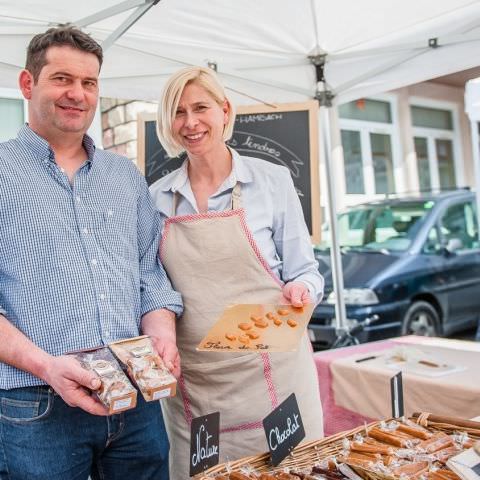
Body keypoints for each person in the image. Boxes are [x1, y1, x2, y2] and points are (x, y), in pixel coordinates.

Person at [0, 26, 183, 480]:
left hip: (135, 402)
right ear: (28, 84)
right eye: (62, 79)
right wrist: (47, 365)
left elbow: (149, 272)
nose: (77, 94)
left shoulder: (124, 176)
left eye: (89, 82)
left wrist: (161, 331)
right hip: (37, 406)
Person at [150, 66, 324, 478]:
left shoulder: (272, 182)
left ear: (224, 111)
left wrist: (301, 288)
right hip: (196, 387)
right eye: (178, 112)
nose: (190, 122)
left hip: (275, 378)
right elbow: (152, 285)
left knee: (290, 474)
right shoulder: (155, 198)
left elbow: (308, 271)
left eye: (200, 108)